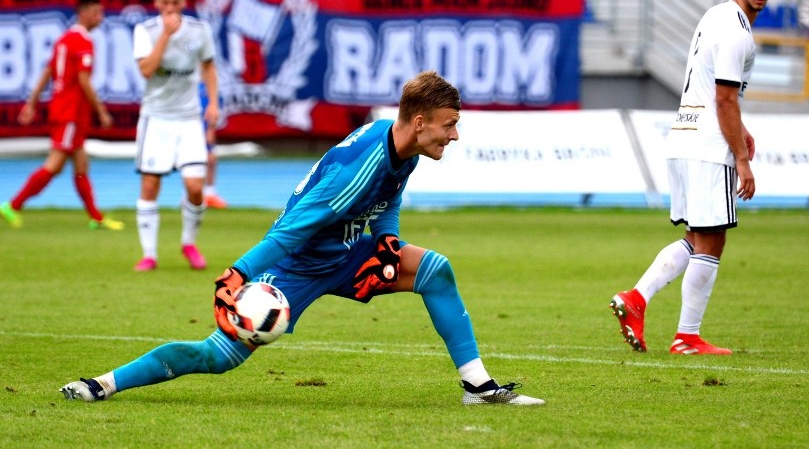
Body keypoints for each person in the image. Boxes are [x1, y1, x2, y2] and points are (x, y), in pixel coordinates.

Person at [60, 71, 544, 406]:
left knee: (435, 270)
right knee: (215, 356)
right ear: (420, 122)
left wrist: (390, 243)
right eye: (450, 124)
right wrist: (237, 274)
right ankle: (103, 384)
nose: (454, 135)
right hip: (295, 266)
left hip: (348, 252)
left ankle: (477, 387)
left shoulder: (405, 148)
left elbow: (387, 201)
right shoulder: (358, 169)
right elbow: (289, 231)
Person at [610, 0, 776, 356]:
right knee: (713, 239)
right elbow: (723, 99)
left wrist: (743, 130)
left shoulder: (715, 16)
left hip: (682, 136)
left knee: (695, 235)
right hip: (707, 144)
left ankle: (636, 298)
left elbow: (712, 89)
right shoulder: (738, 32)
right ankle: (687, 337)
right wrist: (741, 159)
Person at [0, 0, 124, 232]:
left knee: (81, 165)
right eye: (97, 12)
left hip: (64, 109)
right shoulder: (83, 41)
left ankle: (95, 218)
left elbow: (48, 70)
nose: (101, 17)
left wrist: (31, 102)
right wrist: (101, 110)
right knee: (55, 165)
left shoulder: (64, 39)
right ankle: (13, 205)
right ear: (84, 12)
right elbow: (83, 79)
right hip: (71, 112)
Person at [132, 0, 218, 272]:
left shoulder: (199, 29)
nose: (170, 8)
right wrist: (166, 36)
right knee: (150, 183)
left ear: (183, 2)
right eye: (165, 3)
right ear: (156, 2)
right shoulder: (145, 31)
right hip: (156, 118)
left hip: (189, 118)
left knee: (195, 187)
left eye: (176, 2)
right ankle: (149, 254)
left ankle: (189, 243)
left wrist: (214, 104)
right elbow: (146, 70)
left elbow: (208, 65)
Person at [199, 82, 227, 209]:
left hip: (204, 123)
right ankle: (190, 195)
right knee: (191, 160)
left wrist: (210, 128)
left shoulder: (209, 86)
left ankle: (209, 193)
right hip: (187, 123)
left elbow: (215, 106)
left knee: (210, 159)